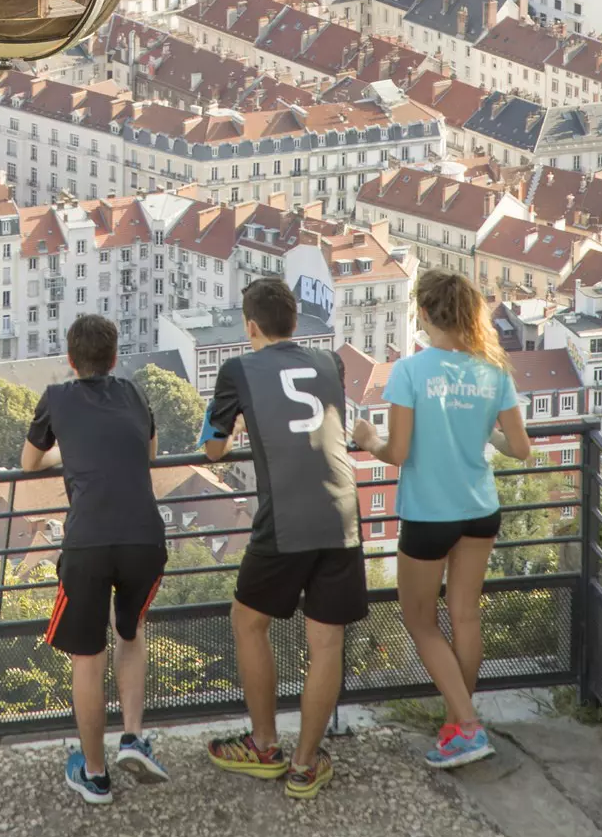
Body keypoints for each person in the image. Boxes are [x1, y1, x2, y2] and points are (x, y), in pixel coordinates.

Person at [353, 268, 530, 770]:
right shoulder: (493, 369)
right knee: (465, 616)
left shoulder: (410, 371)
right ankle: (457, 725)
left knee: (420, 620)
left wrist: (367, 440)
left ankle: (467, 727)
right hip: (480, 508)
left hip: (430, 512)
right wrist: (483, 435)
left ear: (425, 313)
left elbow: (398, 452)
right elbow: (520, 448)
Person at [202, 276, 366, 801]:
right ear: (294, 322)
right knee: (327, 643)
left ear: (251, 327)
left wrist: (236, 428)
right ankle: (304, 764)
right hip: (341, 514)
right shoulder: (331, 363)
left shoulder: (237, 370)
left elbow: (212, 449)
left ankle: (265, 744)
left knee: (248, 622)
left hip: (286, 516)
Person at [24, 313, 169, 805]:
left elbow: (29, 462)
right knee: (130, 631)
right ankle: (133, 737)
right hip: (144, 537)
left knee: (87, 658)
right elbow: (149, 453)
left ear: (71, 359)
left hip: (88, 540)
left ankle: (95, 775)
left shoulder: (56, 397)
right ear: (114, 358)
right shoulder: (134, 394)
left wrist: (68, 453)